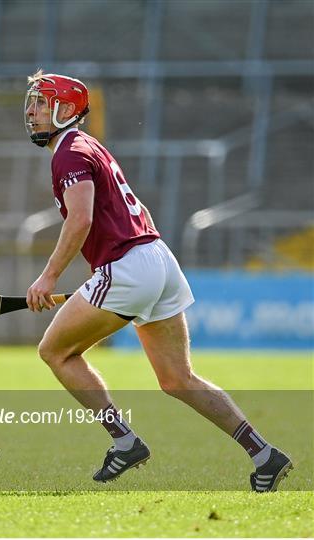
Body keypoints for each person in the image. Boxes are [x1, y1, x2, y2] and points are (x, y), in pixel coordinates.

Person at [24, 69, 292, 492]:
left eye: (42, 103)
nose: (32, 111)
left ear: (65, 109)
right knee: (177, 379)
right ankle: (265, 454)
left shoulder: (68, 153)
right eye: (33, 102)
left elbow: (81, 218)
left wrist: (48, 276)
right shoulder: (89, 146)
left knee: (55, 351)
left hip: (129, 266)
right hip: (157, 259)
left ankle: (124, 441)